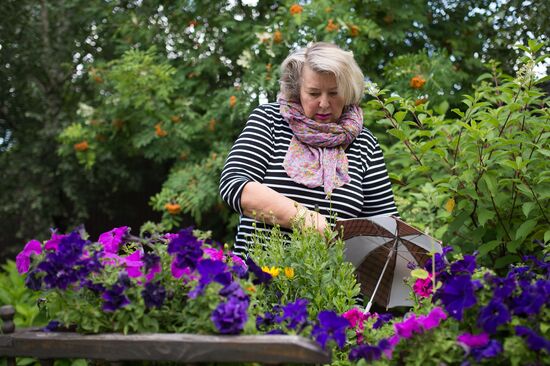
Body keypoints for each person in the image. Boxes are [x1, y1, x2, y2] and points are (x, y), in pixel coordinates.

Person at [220, 42, 398, 256]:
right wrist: (306, 220)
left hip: (333, 286)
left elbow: (387, 230)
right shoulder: (270, 120)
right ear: (297, 90)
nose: (324, 103)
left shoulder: (364, 142)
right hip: (258, 280)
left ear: (348, 91)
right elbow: (235, 185)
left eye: (334, 93)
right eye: (314, 93)